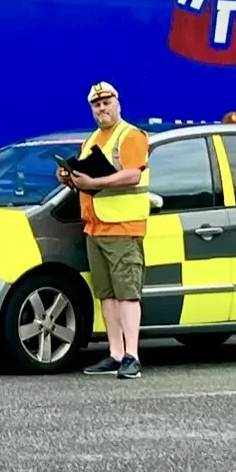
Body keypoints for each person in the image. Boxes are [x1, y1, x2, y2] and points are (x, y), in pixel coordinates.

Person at [61, 81, 151, 379]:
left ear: (118, 104)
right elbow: (87, 179)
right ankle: (115, 353)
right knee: (107, 295)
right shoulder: (92, 139)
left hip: (123, 226)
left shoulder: (131, 135)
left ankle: (132, 356)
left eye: (107, 102)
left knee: (127, 294)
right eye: (97, 104)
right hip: (96, 227)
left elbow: (132, 175)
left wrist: (93, 183)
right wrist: (68, 177)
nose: (102, 108)